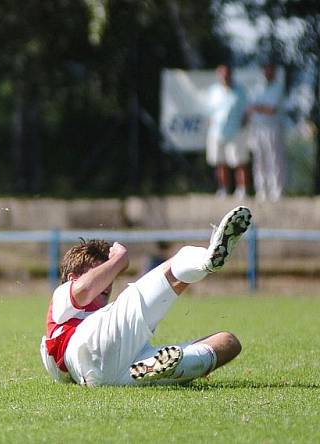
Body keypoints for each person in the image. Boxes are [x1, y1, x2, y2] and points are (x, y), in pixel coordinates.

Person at [40, 206, 252, 386]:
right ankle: (207, 259)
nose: (108, 282)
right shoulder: (61, 298)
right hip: (91, 345)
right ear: (72, 278)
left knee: (229, 342)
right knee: (175, 265)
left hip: (105, 378)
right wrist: (120, 259)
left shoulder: (103, 323)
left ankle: (162, 366)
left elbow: (61, 372)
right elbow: (84, 291)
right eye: (100, 272)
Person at [206, 65, 249, 199]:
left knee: (239, 162)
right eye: (222, 74)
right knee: (220, 162)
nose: (225, 76)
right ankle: (223, 189)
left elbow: (246, 112)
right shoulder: (213, 91)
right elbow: (210, 112)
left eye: (227, 74)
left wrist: (242, 127)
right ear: (219, 75)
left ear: (231, 74)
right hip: (217, 133)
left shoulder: (240, 91)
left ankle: (242, 190)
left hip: (236, 132)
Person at [247, 64, 286, 201]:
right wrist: (259, 108)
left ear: (274, 73)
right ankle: (261, 190)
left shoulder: (278, 88)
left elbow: (271, 110)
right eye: (266, 70)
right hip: (257, 128)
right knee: (259, 160)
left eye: (271, 70)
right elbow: (251, 108)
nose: (268, 73)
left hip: (272, 127)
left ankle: (277, 190)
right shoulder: (257, 88)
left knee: (274, 159)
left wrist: (258, 108)